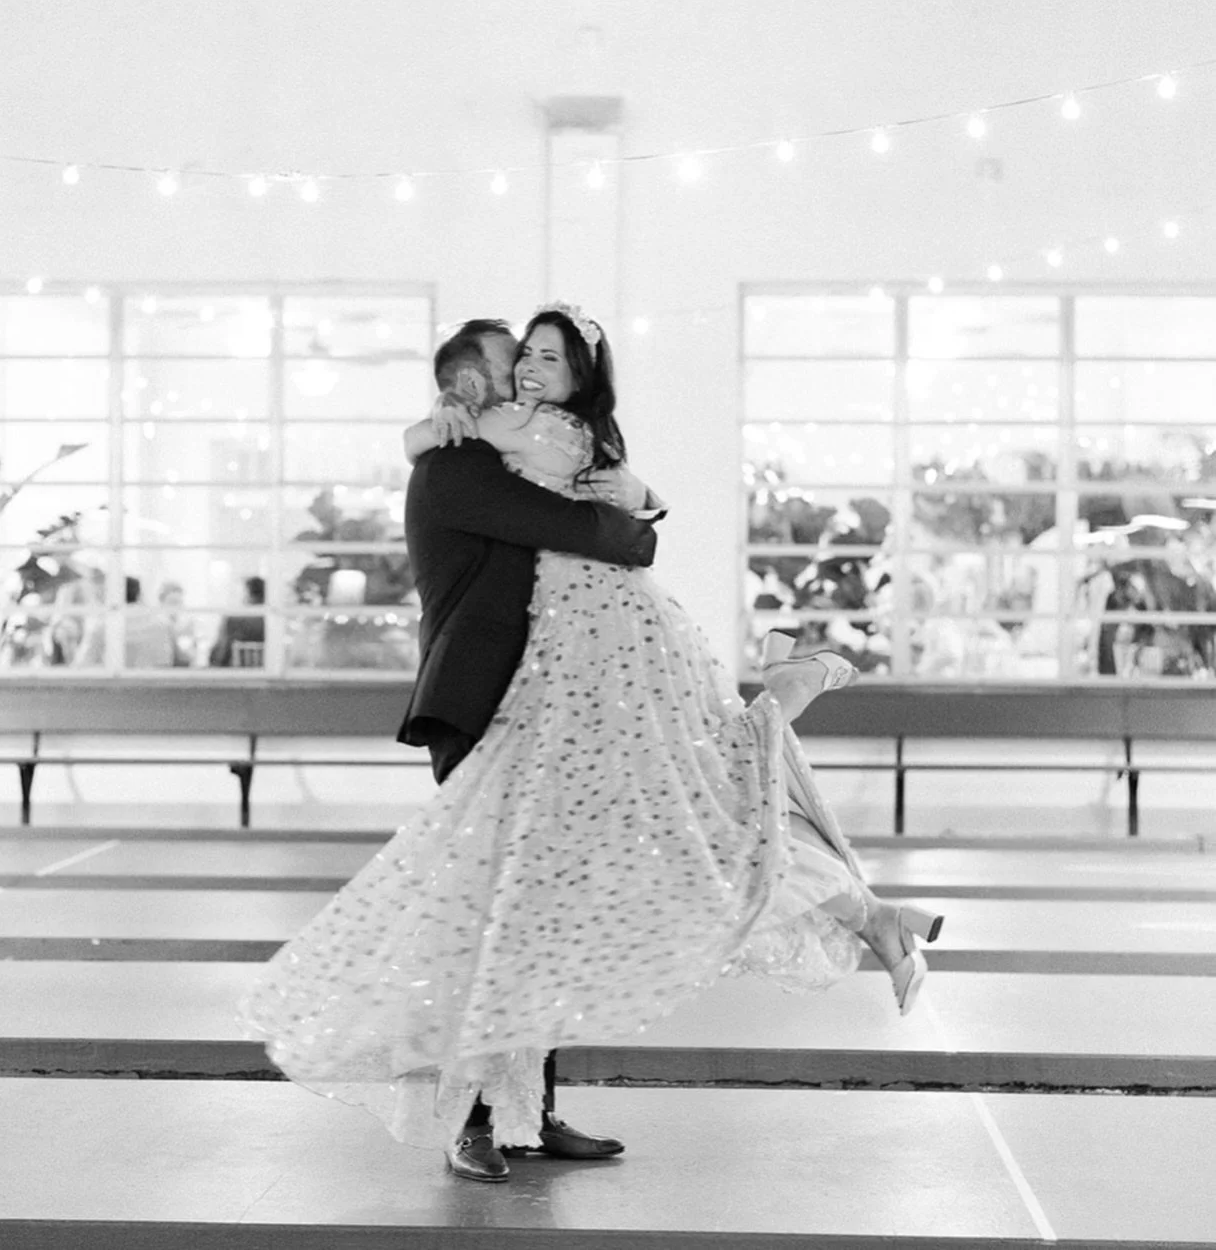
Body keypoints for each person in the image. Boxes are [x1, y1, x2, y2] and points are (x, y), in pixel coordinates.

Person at [240, 306, 941, 1185]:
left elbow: (606, 521)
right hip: (494, 707)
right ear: (469, 383)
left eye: (538, 361)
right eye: (510, 363)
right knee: (497, 917)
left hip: (563, 707)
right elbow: (599, 533)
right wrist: (639, 512)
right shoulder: (456, 463)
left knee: (550, 913)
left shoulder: (518, 444)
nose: (522, 376)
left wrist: (638, 500)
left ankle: (526, 1114)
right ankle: (476, 1120)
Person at [208, 576, 266, 668]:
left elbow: (220, 655)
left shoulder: (234, 620)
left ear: (248, 594)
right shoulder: (272, 622)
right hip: (266, 673)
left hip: (236, 675)